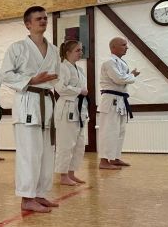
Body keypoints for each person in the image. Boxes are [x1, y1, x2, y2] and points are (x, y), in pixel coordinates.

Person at [1, 6, 60, 213]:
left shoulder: (53, 49)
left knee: (46, 153)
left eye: (45, 18)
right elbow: (6, 75)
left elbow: (56, 75)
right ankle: (27, 198)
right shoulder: (17, 48)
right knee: (29, 153)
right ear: (28, 24)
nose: (43, 21)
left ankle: (40, 193)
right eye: (38, 19)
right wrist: (32, 80)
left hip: (47, 101)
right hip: (28, 100)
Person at [98, 37, 139, 170]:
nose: (126, 47)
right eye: (123, 45)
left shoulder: (120, 62)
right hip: (111, 100)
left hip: (120, 100)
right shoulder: (109, 62)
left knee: (120, 131)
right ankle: (104, 161)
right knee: (109, 130)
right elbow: (119, 79)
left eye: (126, 45)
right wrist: (132, 76)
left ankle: (114, 158)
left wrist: (129, 76)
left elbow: (122, 79)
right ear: (113, 47)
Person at [54, 40, 89, 185]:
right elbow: (60, 88)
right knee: (66, 144)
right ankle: (63, 176)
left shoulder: (79, 69)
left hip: (79, 109)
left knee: (79, 145)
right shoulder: (61, 68)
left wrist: (81, 92)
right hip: (66, 109)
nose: (81, 53)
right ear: (68, 52)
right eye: (78, 50)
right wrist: (79, 91)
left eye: (81, 50)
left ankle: (71, 173)